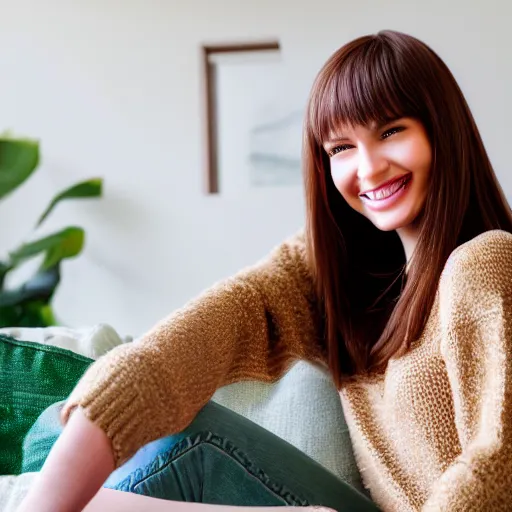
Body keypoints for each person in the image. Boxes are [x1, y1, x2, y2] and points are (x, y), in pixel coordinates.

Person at [17, 29, 512, 512]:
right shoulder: (332, 275)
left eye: (391, 131)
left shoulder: (485, 263)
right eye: (340, 147)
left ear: (441, 128)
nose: (369, 167)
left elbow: (499, 463)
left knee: (194, 444)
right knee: (59, 429)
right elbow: (182, 349)